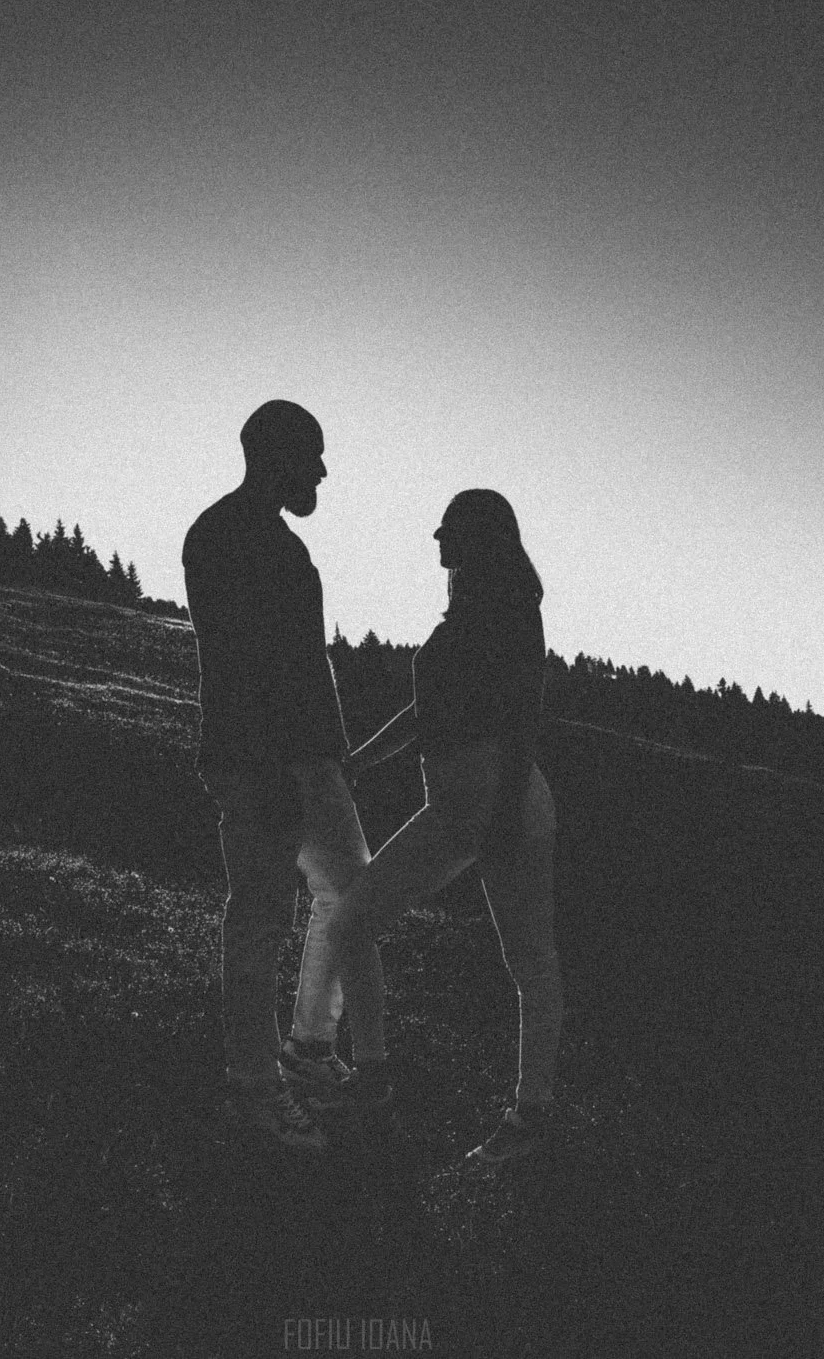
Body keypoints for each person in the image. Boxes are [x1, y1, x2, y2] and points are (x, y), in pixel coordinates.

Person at [317, 488, 562, 1164]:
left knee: (530, 963)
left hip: (505, 805)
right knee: (351, 921)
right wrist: (361, 760)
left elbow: (523, 720)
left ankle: (531, 1115)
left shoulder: (515, 615)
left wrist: (504, 814)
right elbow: (424, 715)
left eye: (448, 527)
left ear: (478, 537)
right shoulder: (461, 619)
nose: (436, 537)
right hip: (452, 807)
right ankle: (372, 1077)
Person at [181, 399, 378, 1153]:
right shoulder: (226, 535)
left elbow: (304, 661)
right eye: (313, 455)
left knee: (351, 895)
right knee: (260, 916)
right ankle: (253, 1088)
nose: (323, 471)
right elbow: (242, 659)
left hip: (307, 757)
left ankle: (308, 1047)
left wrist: (331, 750)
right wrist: (270, 766)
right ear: (277, 455)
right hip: (259, 757)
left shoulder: (277, 545)